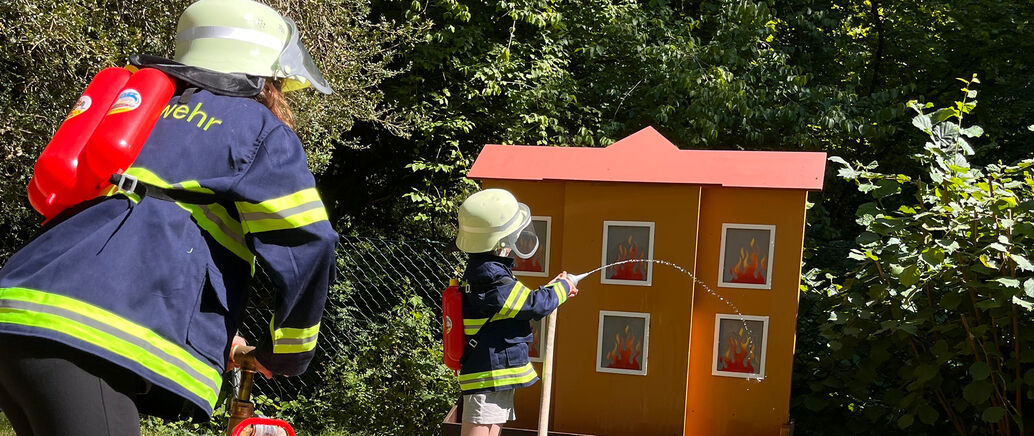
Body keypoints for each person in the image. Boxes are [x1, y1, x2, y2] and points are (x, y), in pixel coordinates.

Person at [0, 0, 337, 434]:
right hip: (85, 332)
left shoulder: (142, 110)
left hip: (23, 306)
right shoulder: (255, 126)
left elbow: (139, 229)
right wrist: (288, 352)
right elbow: (310, 242)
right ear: (264, 75)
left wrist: (219, 338)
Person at [454, 189, 578, 436]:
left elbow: (522, 301)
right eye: (512, 236)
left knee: (493, 422)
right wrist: (561, 289)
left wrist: (554, 290)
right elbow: (533, 304)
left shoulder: (490, 271)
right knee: (480, 424)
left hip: (496, 367)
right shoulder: (489, 275)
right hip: (487, 368)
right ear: (501, 241)